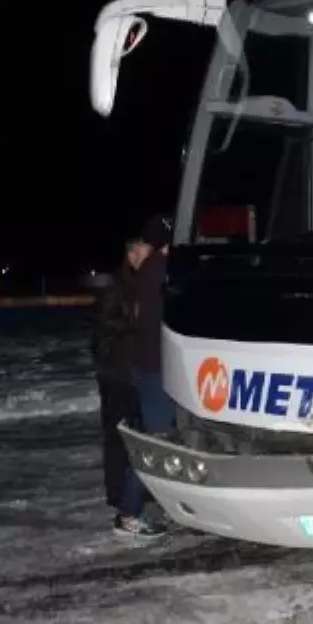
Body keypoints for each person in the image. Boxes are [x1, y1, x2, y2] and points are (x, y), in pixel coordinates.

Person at [115, 215, 174, 537]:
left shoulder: (147, 272)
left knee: (162, 440)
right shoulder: (159, 270)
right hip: (155, 370)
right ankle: (129, 514)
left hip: (150, 368)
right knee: (157, 444)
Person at [92, 238, 148, 511]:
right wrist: (133, 318)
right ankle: (116, 492)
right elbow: (104, 327)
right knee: (117, 436)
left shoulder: (144, 283)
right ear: (131, 254)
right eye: (144, 252)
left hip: (135, 372)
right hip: (116, 374)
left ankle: (136, 489)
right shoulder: (117, 286)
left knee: (140, 433)